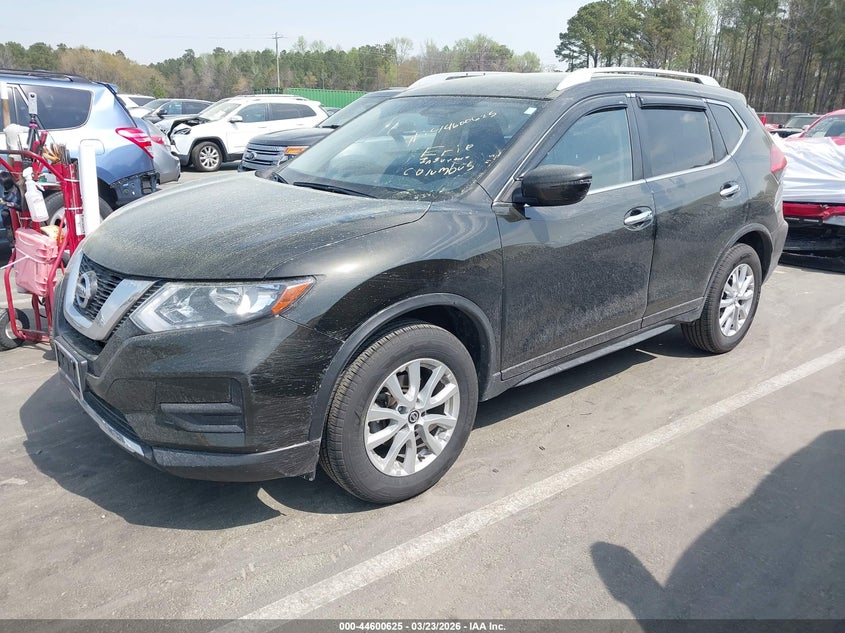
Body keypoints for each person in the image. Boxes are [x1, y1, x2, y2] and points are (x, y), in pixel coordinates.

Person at [0, 170, 22, 244]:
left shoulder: (16, 190)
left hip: (15, 214)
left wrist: (6, 203)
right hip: (7, 214)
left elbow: (20, 207)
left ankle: (13, 244)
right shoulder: (6, 188)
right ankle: (12, 243)